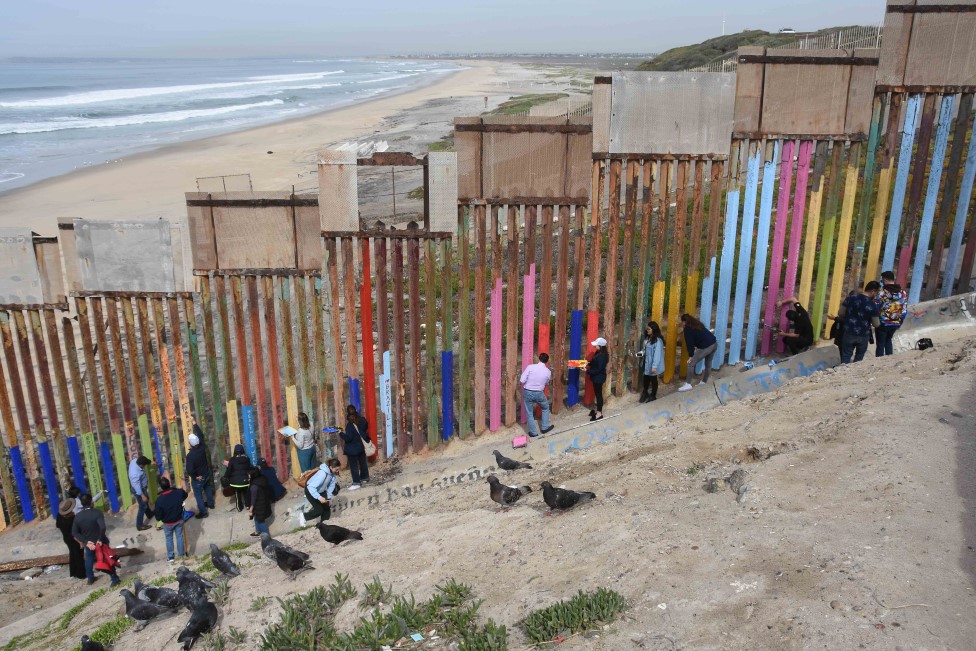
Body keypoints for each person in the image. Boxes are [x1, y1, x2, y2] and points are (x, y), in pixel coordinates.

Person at [72, 493, 120, 586]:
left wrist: (86, 541)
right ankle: (114, 579)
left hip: (89, 543)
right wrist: (100, 539)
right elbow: (102, 527)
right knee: (106, 558)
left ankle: (90, 578)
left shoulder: (78, 516)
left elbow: (74, 532)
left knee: (89, 559)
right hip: (100, 541)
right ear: (91, 502)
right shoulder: (97, 513)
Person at [830, 281, 881, 363]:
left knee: (846, 355)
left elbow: (841, 313)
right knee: (859, 358)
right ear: (873, 291)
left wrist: (849, 318)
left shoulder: (850, 298)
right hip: (863, 335)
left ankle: (843, 372)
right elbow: (876, 324)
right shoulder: (872, 305)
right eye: (876, 293)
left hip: (849, 332)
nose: (876, 295)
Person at [154, 476, 190, 563]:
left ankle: (171, 557)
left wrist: (162, 519)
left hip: (167, 523)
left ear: (161, 487)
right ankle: (181, 555)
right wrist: (182, 482)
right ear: (169, 484)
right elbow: (185, 494)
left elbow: (158, 517)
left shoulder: (159, 500)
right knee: (179, 537)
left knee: (169, 539)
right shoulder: (178, 493)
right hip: (179, 520)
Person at [678, 314, 717, 392]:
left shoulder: (687, 329)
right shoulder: (697, 324)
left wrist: (691, 356)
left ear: (684, 322)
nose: (681, 323)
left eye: (681, 321)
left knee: (691, 364)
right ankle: (704, 382)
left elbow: (690, 343)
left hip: (706, 347)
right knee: (708, 364)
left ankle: (688, 384)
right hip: (714, 344)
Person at [520, 352, 554, 438]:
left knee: (529, 412)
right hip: (539, 393)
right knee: (545, 407)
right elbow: (546, 383)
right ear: (547, 361)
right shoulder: (548, 372)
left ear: (539, 358)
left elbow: (522, 380)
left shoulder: (530, 367)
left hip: (528, 391)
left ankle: (533, 432)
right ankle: (545, 427)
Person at [874, 270, 907, 357]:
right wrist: (900, 322)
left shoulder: (882, 293)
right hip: (895, 322)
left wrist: (873, 321)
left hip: (883, 323)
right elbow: (904, 310)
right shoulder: (902, 293)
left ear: (885, 280)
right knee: (888, 341)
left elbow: (875, 307)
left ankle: (878, 363)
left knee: (880, 344)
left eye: (882, 281)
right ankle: (889, 361)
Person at [185, 423, 215, 519]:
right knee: (207, 488)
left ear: (190, 443)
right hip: (206, 473)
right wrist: (194, 424)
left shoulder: (190, 456)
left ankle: (203, 512)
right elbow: (201, 435)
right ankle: (210, 504)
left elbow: (189, 470)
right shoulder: (202, 447)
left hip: (199, 477)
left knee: (198, 495)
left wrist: (195, 477)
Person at [55, 497, 86, 579]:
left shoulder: (59, 516)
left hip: (66, 538)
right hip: (75, 538)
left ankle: (73, 572)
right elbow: (75, 532)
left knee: (72, 555)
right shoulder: (71, 519)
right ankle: (81, 574)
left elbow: (58, 525)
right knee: (78, 556)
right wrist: (80, 542)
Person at [340, 407, 371, 490]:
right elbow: (365, 428)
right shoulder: (362, 420)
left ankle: (356, 482)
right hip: (361, 446)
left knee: (354, 466)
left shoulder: (350, 425)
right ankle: (365, 477)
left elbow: (348, 438)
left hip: (353, 449)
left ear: (348, 414)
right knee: (362, 463)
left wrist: (340, 433)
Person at [303, 458, 341, 524]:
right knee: (319, 510)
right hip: (310, 491)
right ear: (331, 467)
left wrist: (328, 497)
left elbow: (331, 486)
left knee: (326, 509)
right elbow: (311, 487)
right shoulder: (322, 474)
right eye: (336, 469)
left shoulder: (333, 475)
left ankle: (323, 525)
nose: (337, 471)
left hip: (321, 491)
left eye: (338, 469)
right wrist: (319, 497)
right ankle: (304, 517)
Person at [638, 321, 664, 402]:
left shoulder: (658, 341)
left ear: (654, 329)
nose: (647, 330)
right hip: (646, 362)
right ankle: (645, 392)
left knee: (653, 379)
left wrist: (654, 366)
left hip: (652, 364)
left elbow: (657, 355)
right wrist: (638, 354)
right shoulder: (647, 339)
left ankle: (653, 395)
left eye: (649, 329)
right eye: (647, 329)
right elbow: (644, 350)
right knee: (646, 378)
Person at [586, 337, 609, 421]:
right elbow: (593, 362)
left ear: (601, 346)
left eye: (596, 345)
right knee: (597, 394)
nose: (595, 346)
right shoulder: (598, 353)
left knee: (599, 395)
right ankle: (598, 411)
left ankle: (599, 413)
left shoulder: (602, 356)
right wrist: (586, 363)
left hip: (599, 378)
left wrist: (587, 371)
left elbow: (598, 369)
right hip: (596, 377)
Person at [128, 455, 154, 531]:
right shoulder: (134, 474)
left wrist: (151, 463)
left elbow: (144, 460)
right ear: (141, 465)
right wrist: (142, 495)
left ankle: (149, 514)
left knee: (146, 500)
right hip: (138, 490)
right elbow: (137, 487)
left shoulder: (135, 461)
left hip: (142, 487)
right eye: (145, 465)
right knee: (142, 506)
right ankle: (139, 525)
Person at [222, 444, 252, 511]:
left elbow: (229, 471)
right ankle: (248, 506)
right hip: (245, 481)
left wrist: (225, 476)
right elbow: (248, 468)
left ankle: (239, 507)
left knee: (237, 493)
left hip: (235, 482)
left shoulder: (232, 460)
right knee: (246, 493)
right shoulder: (247, 459)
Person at [247, 467, 273, 537]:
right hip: (265, 502)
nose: (248, 476)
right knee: (256, 518)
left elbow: (253, 498)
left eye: (249, 474)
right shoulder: (262, 479)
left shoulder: (254, 486)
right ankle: (257, 531)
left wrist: (251, 509)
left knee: (260, 521)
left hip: (259, 506)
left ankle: (267, 536)